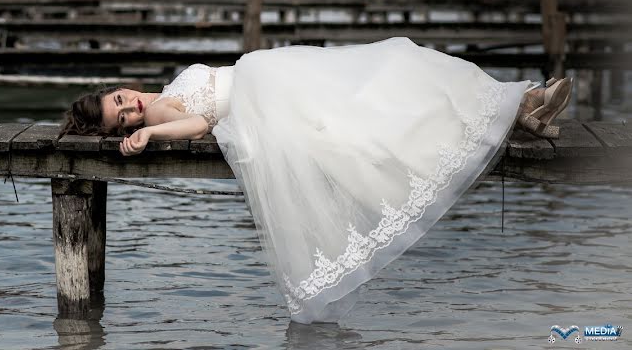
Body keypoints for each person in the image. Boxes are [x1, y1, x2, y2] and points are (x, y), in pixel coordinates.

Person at [58, 37, 573, 324]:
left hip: (269, 80)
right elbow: (200, 124)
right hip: (264, 94)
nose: (132, 107)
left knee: (389, 75)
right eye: (121, 118)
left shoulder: (163, 90)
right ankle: (521, 107)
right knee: (382, 91)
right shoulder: (156, 118)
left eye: (121, 99)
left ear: (121, 88)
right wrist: (151, 135)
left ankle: (522, 107)